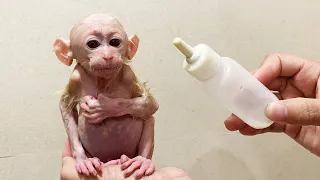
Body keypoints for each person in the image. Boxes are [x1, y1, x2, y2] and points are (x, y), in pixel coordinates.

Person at [60, 52, 320, 179]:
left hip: (132, 161)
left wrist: (114, 107)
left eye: (115, 43)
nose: (106, 55)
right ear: (67, 52)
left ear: (131, 47)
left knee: (174, 174)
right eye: (93, 44)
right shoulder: (78, 78)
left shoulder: (125, 75)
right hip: (92, 163)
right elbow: (65, 107)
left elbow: (150, 108)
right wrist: (81, 155)